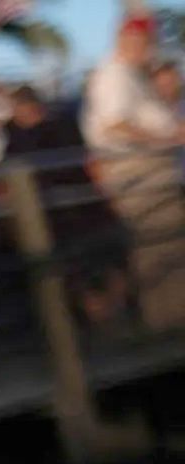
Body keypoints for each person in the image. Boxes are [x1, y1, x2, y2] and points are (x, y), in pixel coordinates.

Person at [84, 16, 185, 329]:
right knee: (158, 249)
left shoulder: (131, 74)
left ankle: (172, 318)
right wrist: (169, 138)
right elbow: (115, 126)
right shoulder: (114, 75)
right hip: (138, 173)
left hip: (154, 172)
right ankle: (166, 321)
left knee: (168, 247)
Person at [7, 86, 130, 325]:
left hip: (83, 208)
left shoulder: (61, 127)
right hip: (54, 217)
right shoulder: (15, 138)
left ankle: (117, 313)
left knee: (110, 260)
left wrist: (104, 193)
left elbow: (87, 161)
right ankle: (100, 318)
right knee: (77, 271)